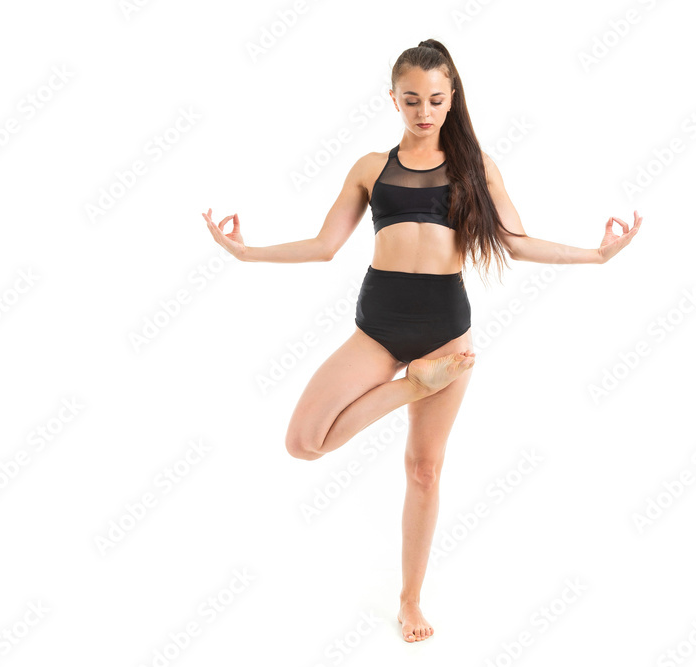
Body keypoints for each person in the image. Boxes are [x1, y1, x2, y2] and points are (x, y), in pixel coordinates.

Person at [203, 38, 642, 643]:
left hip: (443, 331)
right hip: (379, 327)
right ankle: (412, 387)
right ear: (393, 100)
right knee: (304, 442)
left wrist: (596, 255)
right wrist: (246, 252)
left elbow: (516, 241)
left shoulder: (476, 166)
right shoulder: (369, 168)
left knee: (424, 470)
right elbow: (325, 245)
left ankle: (410, 600)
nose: (424, 110)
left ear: (451, 97)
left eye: (436, 99)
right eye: (412, 99)